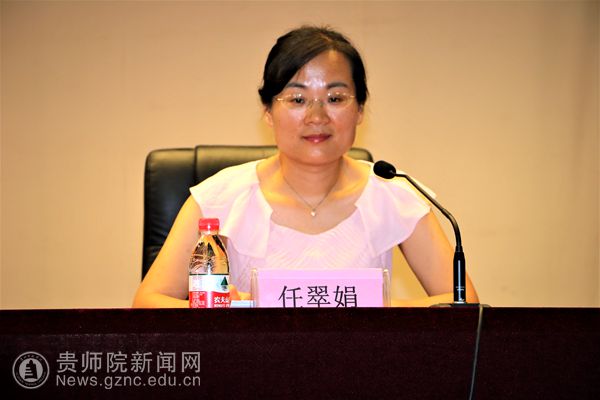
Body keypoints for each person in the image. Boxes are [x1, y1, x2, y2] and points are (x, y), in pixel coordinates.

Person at [133, 26, 478, 308]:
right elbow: (148, 302)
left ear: (359, 110)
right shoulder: (221, 197)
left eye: (335, 98)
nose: (316, 116)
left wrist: (380, 307)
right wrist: (224, 308)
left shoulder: (393, 194)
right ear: (268, 111)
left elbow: (464, 304)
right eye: (297, 99)